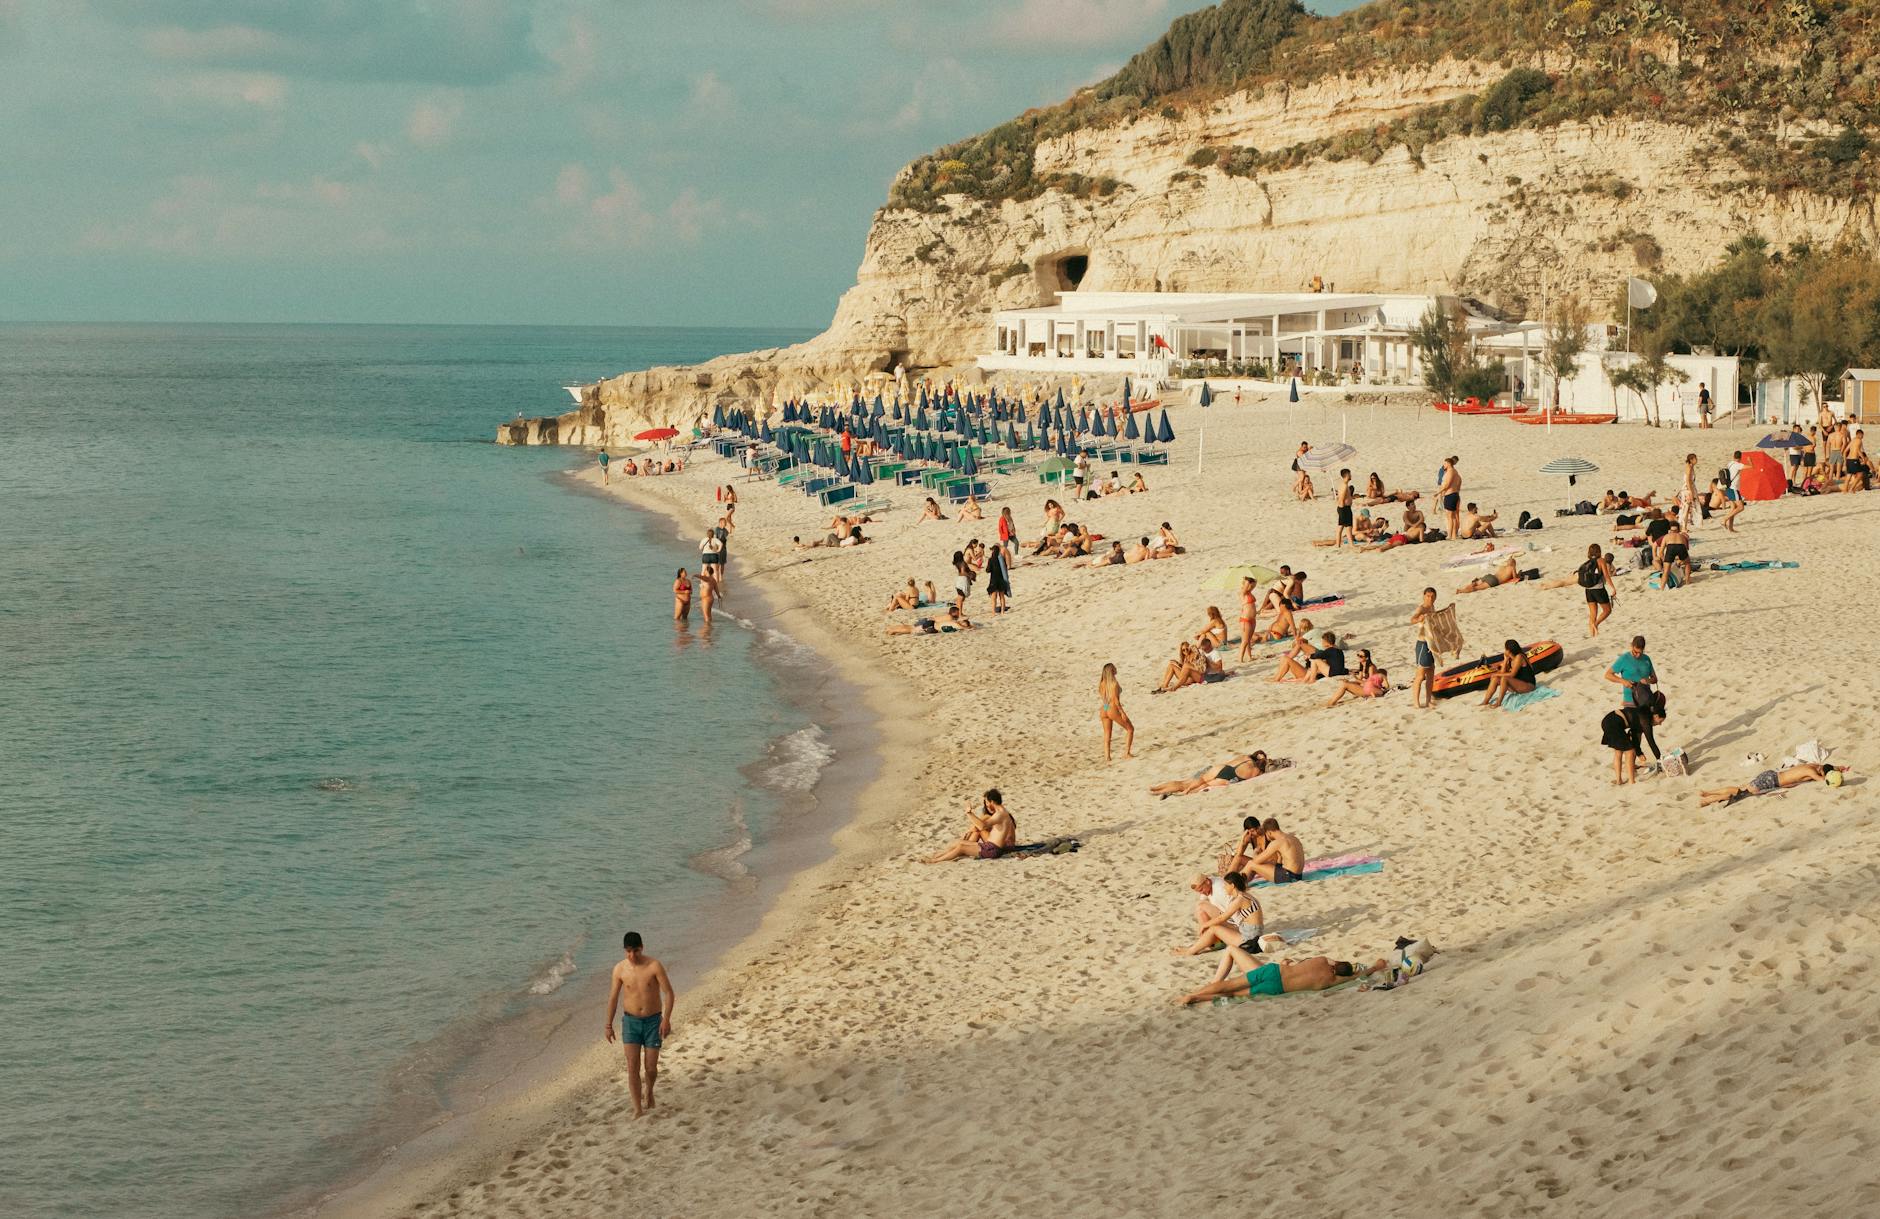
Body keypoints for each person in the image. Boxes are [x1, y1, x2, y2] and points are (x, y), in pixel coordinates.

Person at [602, 931, 675, 1118]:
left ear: (642, 947)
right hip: (630, 1022)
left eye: (635, 951)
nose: (632, 956)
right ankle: (637, 1109)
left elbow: (669, 993)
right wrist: (608, 1025)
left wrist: (666, 1019)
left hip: (653, 1022)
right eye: (628, 951)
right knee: (632, 1066)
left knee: (650, 1067)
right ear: (624, 950)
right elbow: (612, 998)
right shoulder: (619, 969)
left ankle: (649, 1090)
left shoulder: (654, 966)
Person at [1178, 949, 1387, 1005]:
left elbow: (1304, 963)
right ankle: (1195, 999)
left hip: (1274, 971)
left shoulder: (1323, 960)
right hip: (1277, 988)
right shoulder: (1331, 981)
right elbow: (1359, 975)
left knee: (1228, 984)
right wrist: (1376, 967)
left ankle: (1193, 993)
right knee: (1235, 994)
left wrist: (1288, 963)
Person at [1172, 872, 1263, 955]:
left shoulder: (1239, 899)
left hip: (1249, 939)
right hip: (1251, 933)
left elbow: (1222, 918)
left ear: (1232, 886)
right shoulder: (1244, 896)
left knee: (1214, 928)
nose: (1224, 887)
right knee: (1212, 924)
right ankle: (1201, 945)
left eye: (1226, 885)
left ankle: (1190, 951)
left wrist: (1204, 926)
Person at [924, 789, 1017, 861]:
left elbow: (982, 826)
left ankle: (935, 861)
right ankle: (938, 855)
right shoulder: (1003, 813)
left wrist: (969, 813)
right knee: (960, 843)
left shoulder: (1000, 814)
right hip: (991, 847)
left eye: (987, 801)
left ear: (992, 801)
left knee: (961, 847)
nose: (986, 804)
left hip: (993, 850)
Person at [1698, 764, 1844, 806]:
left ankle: (1709, 792)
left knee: (1740, 789)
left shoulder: (1814, 765)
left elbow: (1826, 768)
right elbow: (1821, 780)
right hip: (1771, 781)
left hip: (1771, 775)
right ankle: (1708, 799)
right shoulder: (1811, 771)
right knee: (1739, 794)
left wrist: (1838, 768)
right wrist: (1832, 777)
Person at [1149, 751, 1269, 798]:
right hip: (1229, 777)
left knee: (1186, 782)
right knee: (1203, 786)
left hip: (1222, 768)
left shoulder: (1246, 757)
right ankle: (1178, 791)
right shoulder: (1257, 771)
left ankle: (1157, 789)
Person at [1245, 818, 1306, 884]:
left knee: (1250, 864)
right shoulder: (1294, 838)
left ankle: (1238, 884)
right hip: (1299, 876)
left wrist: (1255, 853)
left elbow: (1256, 861)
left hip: (1288, 877)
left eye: (1266, 834)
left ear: (1269, 832)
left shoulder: (1277, 843)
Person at [1479, 638, 1537, 707]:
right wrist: (1505, 660)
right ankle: (1485, 701)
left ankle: (1498, 702)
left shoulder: (1519, 657)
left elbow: (1512, 674)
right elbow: (1502, 672)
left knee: (1505, 678)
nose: (1505, 651)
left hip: (1529, 685)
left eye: (1506, 649)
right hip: (1518, 684)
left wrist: (1496, 674)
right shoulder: (1510, 659)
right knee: (1496, 678)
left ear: (1509, 650)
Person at [1607, 636, 1657, 710]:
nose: (1638, 655)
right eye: (1635, 652)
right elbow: (1608, 675)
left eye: (1641, 652)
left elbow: (1655, 679)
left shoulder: (1646, 659)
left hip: (1646, 700)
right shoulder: (1624, 658)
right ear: (1631, 646)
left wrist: (1647, 680)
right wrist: (1623, 681)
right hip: (1630, 702)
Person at [1578, 543, 1617, 636]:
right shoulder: (1601, 560)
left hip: (1588, 590)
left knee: (1592, 614)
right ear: (1599, 551)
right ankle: (1596, 624)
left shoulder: (1588, 563)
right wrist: (1613, 588)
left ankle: (1592, 634)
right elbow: (1607, 576)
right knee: (1607, 610)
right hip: (1598, 590)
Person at [1409, 587, 1439, 710]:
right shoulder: (1421, 608)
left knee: (1431, 673)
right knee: (1420, 676)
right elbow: (1412, 619)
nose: (1430, 598)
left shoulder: (1432, 608)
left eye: (1432, 596)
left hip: (1431, 643)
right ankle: (1416, 703)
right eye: (1427, 596)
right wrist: (1418, 619)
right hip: (1422, 644)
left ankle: (1428, 701)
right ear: (1423, 596)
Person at [1098, 662, 1134, 761]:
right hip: (1112, 708)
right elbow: (1116, 701)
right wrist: (1123, 713)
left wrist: (1106, 709)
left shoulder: (1102, 683)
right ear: (1111, 671)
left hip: (1104, 708)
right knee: (1130, 729)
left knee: (1107, 734)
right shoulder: (1114, 684)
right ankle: (1126, 753)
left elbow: (1104, 698)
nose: (1116, 668)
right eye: (1114, 667)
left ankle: (1107, 757)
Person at [1600, 700, 1641, 785]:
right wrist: (1639, 752)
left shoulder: (1636, 712)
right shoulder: (1642, 719)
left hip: (1608, 721)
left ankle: (1619, 780)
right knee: (1630, 751)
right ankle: (1631, 781)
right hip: (1613, 724)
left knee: (1618, 751)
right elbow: (1637, 736)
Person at [1324, 662, 1389, 707]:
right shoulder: (1377, 682)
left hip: (1365, 690)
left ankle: (1331, 702)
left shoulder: (1374, 674)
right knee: (1345, 684)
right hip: (1367, 690)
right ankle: (1331, 702)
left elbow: (1364, 683)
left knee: (1344, 685)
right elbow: (1385, 686)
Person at [885, 605, 974, 635]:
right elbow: (960, 625)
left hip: (930, 622)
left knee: (910, 627)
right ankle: (893, 630)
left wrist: (965, 620)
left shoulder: (949, 618)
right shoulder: (953, 621)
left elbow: (959, 620)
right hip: (930, 624)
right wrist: (970, 627)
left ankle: (892, 628)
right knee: (911, 629)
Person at [985, 538, 1012, 613]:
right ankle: (1003, 611)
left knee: (993, 598)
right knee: (1002, 597)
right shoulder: (1001, 559)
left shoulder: (991, 559)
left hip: (994, 580)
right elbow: (1005, 567)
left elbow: (988, 570)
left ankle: (993, 612)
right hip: (1001, 580)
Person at [1438, 456, 1462, 541]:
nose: (1443, 465)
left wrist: (1438, 492)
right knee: (1454, 516)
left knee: (1450, 517)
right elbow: (1460, 480)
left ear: (1448, 463)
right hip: (1455, 494)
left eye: (1444, 463)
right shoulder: (1455, 472)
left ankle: (1450, 535)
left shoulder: (1450, 471)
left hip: (1450, 495)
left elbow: (1446, 484)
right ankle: (1454, 535)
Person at [1236, 577, 1259, 663]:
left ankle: (1249, 656)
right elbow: (1246, 586)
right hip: (1245, 619)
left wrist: (1252, 578)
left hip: (1252, 619)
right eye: (1247, 584)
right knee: (1245, 641)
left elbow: (1255, 582)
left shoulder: (1249, 592)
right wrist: (1246, 580)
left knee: (1249, 640)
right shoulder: (1243, 593)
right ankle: (1240, 658)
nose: (1249, 586)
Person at [1335, 468, 1356, 546]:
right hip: (1344, 508)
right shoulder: (1344, 485)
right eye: (1350, 474)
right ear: (1347, 475)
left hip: (1345, 508)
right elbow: (1341, 499)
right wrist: (1342, 509)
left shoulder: (1344, 484)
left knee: (1348, 527)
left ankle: (1351, 544)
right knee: (1341, 527)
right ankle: (1338, 545)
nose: (1351, 475)